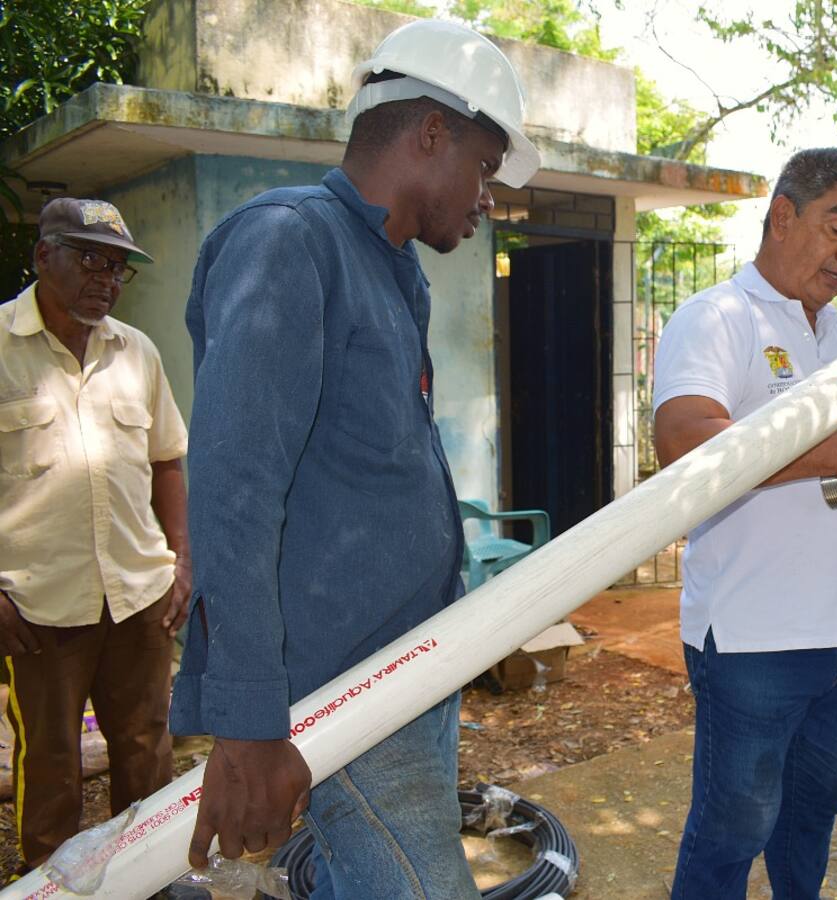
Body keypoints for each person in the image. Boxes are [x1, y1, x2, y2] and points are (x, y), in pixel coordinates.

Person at [168, 19, 540, 899]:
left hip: (408, 673)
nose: (489, 196)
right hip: (339, 696)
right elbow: (234, 488)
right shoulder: (291, 240)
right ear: (432, 130)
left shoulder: (392, 269)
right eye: (485, 166)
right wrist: (252, 724)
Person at [653, 147, 837, 898]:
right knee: (731, 833)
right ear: (783, 215)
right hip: (754, 642)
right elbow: (685, 442)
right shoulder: (718, 317)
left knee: (812, 818)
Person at [0, 198, 190, 869]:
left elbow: (168, 459)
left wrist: (181, 561)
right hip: (37, 606)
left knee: (147, 749)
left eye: (117, 267)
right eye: (90, 259)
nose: (106, 278)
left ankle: (150, 877)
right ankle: (48, 883)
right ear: (42, 255)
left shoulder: (136, 352)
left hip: (138, 595)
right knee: (51, 762)